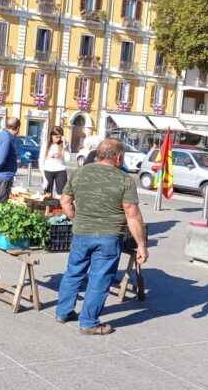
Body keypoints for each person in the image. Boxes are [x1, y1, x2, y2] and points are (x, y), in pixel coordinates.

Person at [55, 138, 148, 336]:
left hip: (81, 233)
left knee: (73, 273)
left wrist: (76, 219)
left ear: (98, 154)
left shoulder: (80, 173)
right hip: (108, 236)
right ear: (119, 157)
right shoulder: (124, 179)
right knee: (99, 279)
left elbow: (65, 202)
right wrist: (141, 245)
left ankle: (63, 312)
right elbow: (132, 214)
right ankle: (88, 322)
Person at [39, 126, 71, 197]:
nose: (58, 139)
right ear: (52, 136)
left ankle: (58, 208)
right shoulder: (46, 145)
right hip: (48, 171)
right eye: (56, 137)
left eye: (60, 137)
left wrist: (65, 147)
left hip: (60, 171)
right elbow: (41, 161)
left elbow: (67, 159)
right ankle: (48, 208)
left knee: (61, 195)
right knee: (47, 195)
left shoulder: (64, 144)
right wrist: (44, 178)